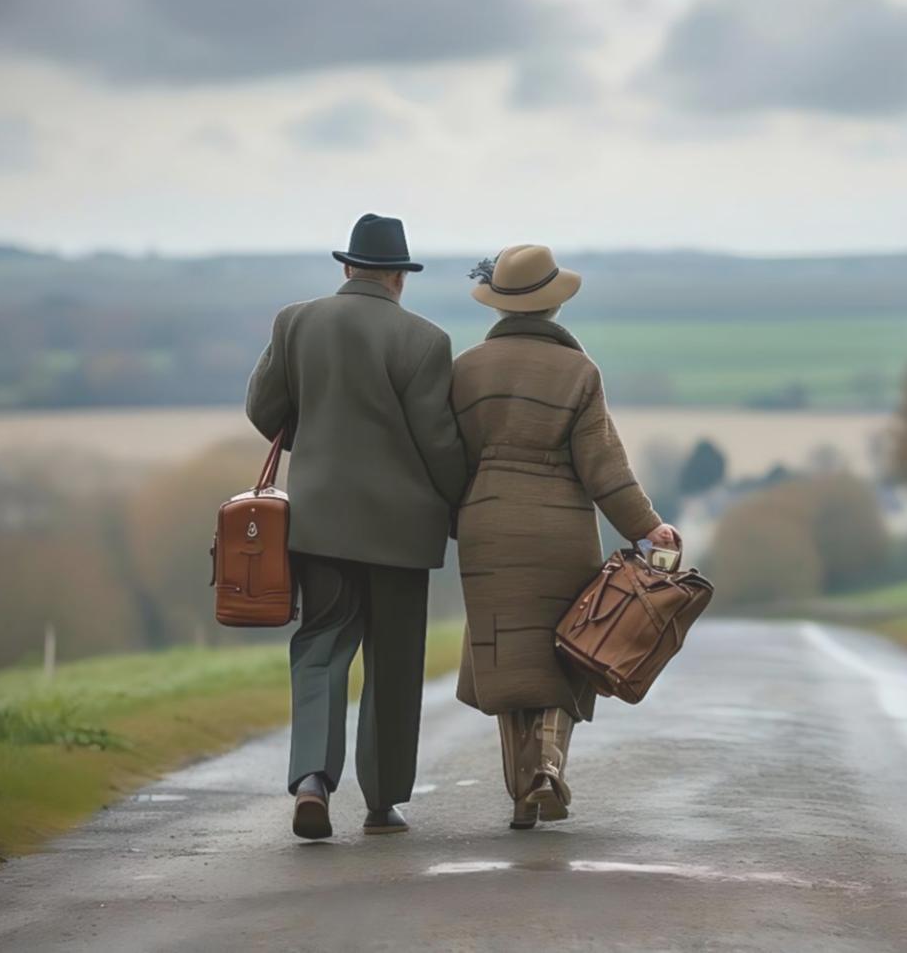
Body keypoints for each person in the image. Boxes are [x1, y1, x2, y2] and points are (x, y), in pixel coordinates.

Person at [246, 213, 466, 840]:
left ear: (347, 268)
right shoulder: (426, 341)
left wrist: (316, 438)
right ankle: (382, 802)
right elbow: (440, 444)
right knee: (394, 667)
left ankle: (312, 780)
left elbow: (264, 411)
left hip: (318, 525)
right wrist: (460, 505)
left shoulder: (295, 323)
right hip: (402, 533)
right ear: (399, 276)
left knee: (320, 648)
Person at [451, 243, 681, 830]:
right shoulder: (579, 372)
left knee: (506, 655)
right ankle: (548, 766)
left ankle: (520, 793)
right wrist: (647, 527)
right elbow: (604, 467)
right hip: (560, 529)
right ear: (554, 307)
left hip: (488, 528)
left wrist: (455, 517)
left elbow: (446, 460)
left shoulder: (465, 370)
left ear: (499, 305)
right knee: (566, 647)